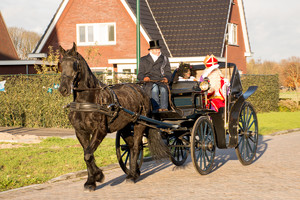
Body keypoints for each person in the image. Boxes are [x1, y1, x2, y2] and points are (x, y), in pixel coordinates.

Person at [137, 40, 172, 112]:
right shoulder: (143, 60)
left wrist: (167, 78)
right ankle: (156, 108)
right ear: (151, 50)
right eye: (156, 50)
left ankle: (164, 108)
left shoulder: (164, 59)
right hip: (149, 82)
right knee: (154, 88)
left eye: (159, 49)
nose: (158, 51)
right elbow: (140, 74)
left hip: (161, 81)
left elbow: (168, 72)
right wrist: (144, 78)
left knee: (163, 89)